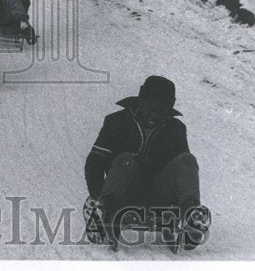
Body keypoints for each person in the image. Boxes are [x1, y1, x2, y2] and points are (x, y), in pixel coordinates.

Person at [84, 76, 212, 251]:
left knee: (187, 159)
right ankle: (103, 210)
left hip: (160, 194)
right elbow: (95, 162)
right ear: (141, 101)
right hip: (124, 192)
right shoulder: (116, 122)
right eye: (151, 108)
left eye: (161, 111)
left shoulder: (176, 128)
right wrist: (98, 194)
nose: (155, 115)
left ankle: (192, 217)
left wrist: (178, 205)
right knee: (125, 160)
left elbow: (181, 171)